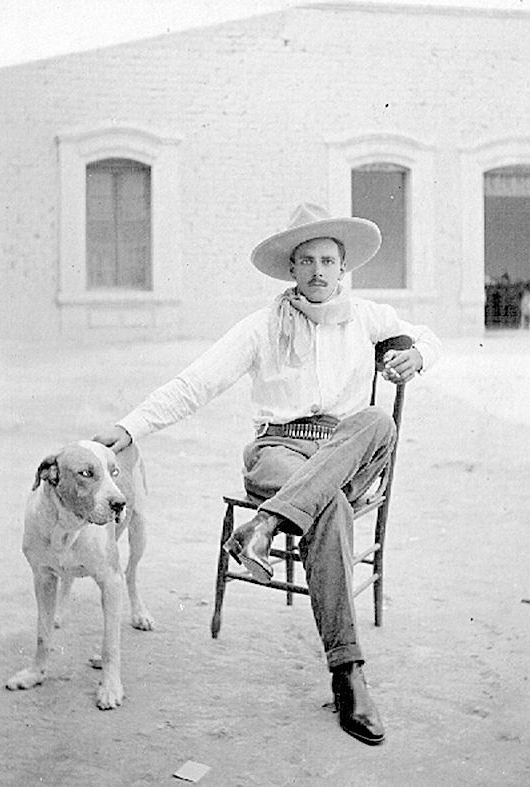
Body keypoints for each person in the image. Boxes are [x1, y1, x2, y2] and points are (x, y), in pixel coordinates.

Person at [94, 203, 441, 745]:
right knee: (327, 508)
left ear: (344, 266)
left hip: (346, 449)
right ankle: (348, 675)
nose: (319, 271)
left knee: (375, 419)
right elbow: (196, 383)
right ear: (291, 269)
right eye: (306, 261)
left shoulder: (369, 317)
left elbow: (429, 338)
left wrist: (416, 355)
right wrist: (132, 425)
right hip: (279, 452)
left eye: (329, 260)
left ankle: (263, 526)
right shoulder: (262, 327)